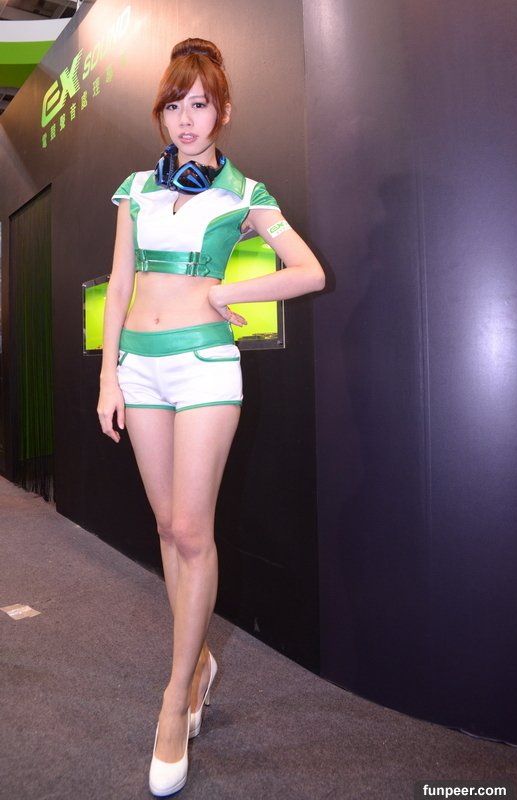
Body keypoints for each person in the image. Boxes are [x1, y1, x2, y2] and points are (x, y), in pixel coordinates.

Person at [97, 37, 325, 797]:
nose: (186, 119)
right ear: (161, 115)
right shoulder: (136, 188)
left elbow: (308, 271)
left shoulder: (246, 193)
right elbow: (121, 283)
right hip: (139, 367)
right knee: (167, 528)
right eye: (173, 105)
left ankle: (174, 700)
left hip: (204, 367)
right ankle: (199, 661)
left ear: (222, 110)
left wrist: (229, 293)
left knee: (193, 531)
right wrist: (108, 375)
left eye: (199, 104)